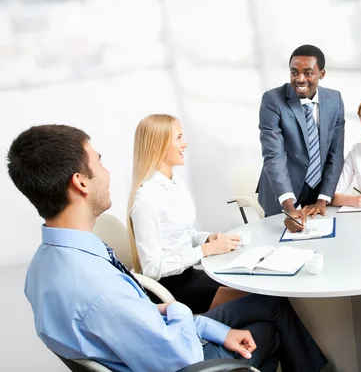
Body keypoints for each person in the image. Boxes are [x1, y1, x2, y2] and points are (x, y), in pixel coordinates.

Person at [10, 124, 328, 372]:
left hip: (151, 339)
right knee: (265, 331)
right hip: (182, 359)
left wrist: (212, 328)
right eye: (100, 162)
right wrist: (184, 314)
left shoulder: (41, 267)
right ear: (81, 182)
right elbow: (179, 354)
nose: (107, 172)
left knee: (269, 306)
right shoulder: (99, 289)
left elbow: (134, 317)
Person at [128, 114, 245, 314]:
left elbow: (183, 233)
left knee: (257, 291)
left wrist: (208, 238)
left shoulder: (175, 184)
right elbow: (152, 269)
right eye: (179, 137)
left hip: (190, 275)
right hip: (171, 289)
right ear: (160, 144)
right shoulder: (146, 199)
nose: (185, 144)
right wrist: (205, 250)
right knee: (260, 301)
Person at [257, 44, 345, 233]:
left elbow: (335, 154)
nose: (300, 79)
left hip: (316, 195)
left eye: (308, 73)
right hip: (282, 194)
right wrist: (289, 208)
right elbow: (274, 156)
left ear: (321, 74)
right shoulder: (273, 100)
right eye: (294, 72)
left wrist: (323, 199)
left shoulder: (335, 100)